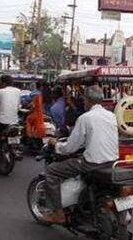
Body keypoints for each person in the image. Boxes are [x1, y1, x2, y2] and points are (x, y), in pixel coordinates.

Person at [43, 86, 119, 224]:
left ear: (88, 100)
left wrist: (56, 145)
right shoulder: (111, 115)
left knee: (51, 171)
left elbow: (70, 148)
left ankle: (58, 213)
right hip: (112, 161)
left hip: (91, 163)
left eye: (84, 99)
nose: (83, 102)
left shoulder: (85, 118)